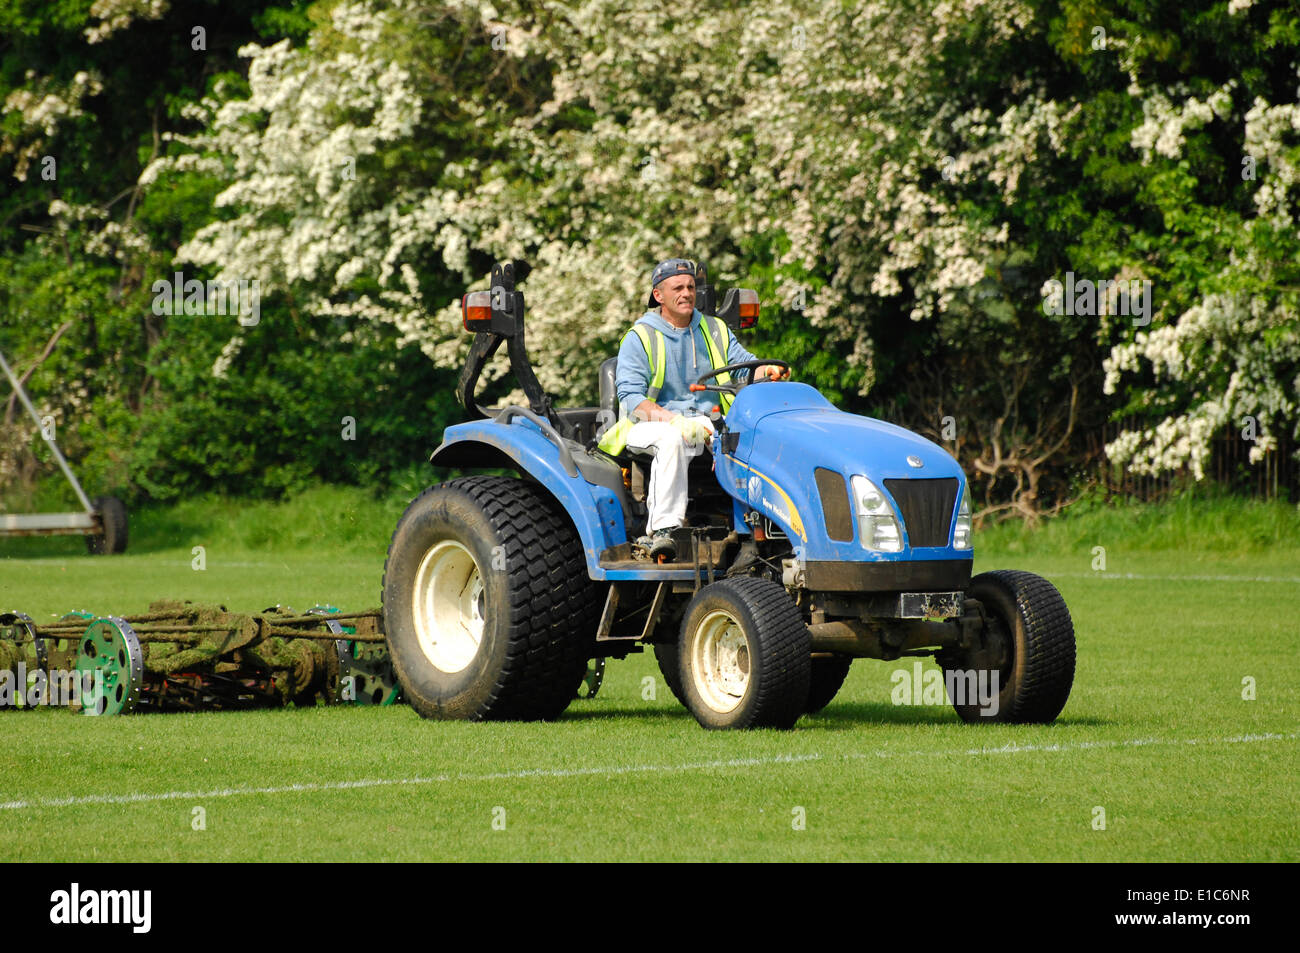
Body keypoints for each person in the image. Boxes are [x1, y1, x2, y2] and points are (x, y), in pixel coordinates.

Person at [602, 258, 788, 561]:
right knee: (671, 439)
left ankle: (760, 528)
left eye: (690, 286)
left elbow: (742, 367)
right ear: (659, 295)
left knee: (755, 436)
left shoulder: (715, 329)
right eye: (678, 288)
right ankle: (663, 532)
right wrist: (675, 422)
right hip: (650, 423)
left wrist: (766, 370)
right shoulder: (641, 337)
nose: (686, 293)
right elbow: (633, 401)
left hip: (706, 420)